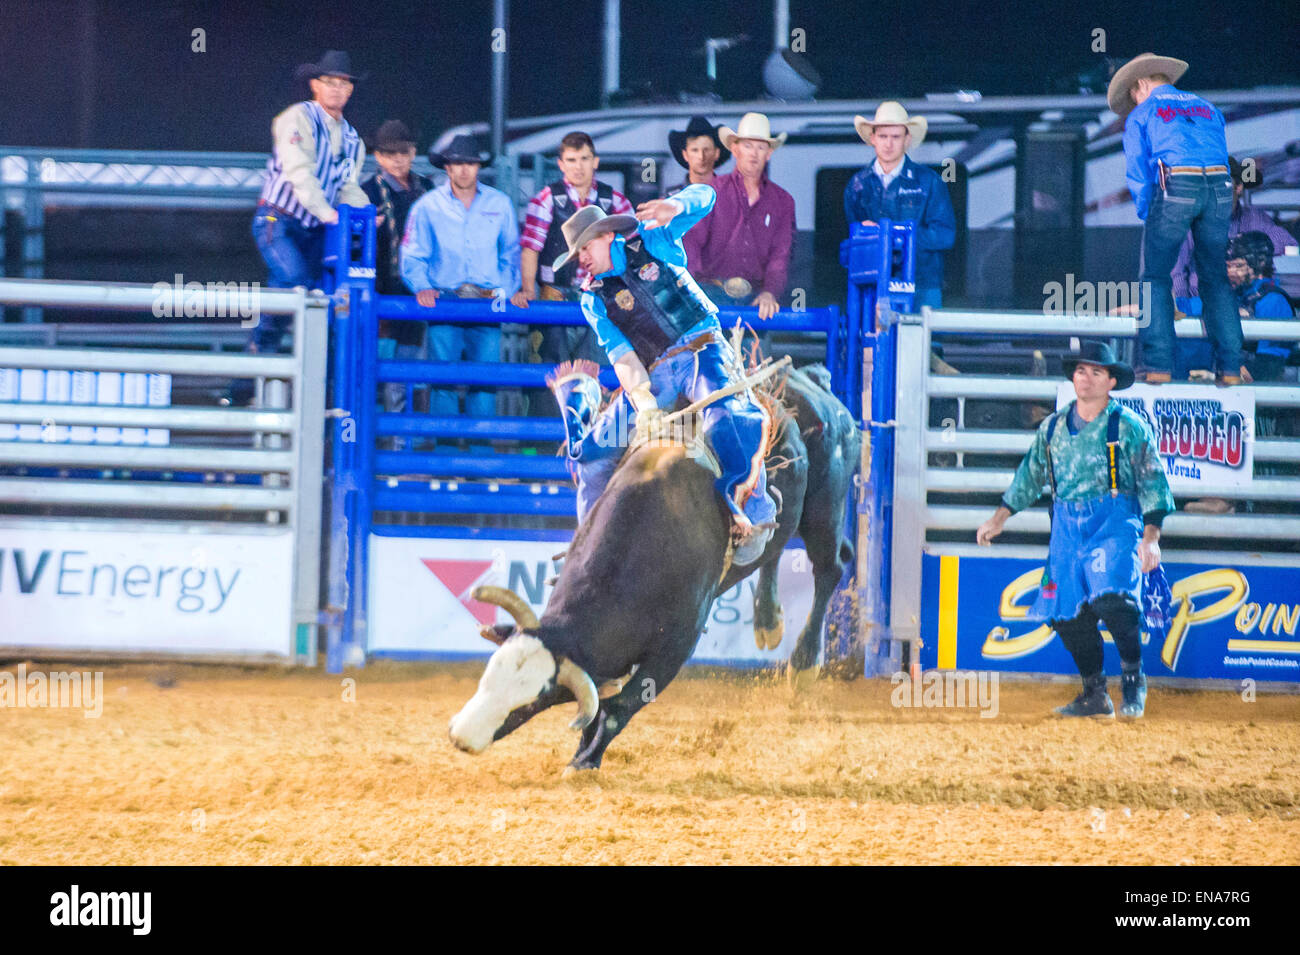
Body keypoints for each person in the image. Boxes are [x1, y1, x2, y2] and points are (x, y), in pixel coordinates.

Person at [545, 185, 779, 564]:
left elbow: (707, 197)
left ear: (607, 236)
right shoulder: (592, 297)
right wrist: (645, 403)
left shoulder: (653, 241)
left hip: (704, 346)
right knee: (591, 456)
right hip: (656, 373)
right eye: (577, 253)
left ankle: (756, 512)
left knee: (727, 414)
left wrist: (677, 204)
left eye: (585, 248)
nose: (581, 259)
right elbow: (622, 355)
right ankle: (591, 550)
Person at [977, 341, 1175, 719]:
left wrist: (1151, 538)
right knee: (1066, 614)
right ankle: (1094, 693)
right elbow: (1030, 476)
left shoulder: (1128, 426)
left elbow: (1153, 481)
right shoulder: (1052, 428)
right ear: (1073, 377)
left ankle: (1133, 679)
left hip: (1115, 523)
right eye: (1081, 371)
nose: (1086, 378)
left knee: (1113, 600)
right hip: (1067, 527)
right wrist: (999, 517)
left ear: (1111, 381)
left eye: (1096, 372)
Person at [1109, 52, 1242, 385]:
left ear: (1141, 84)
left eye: (1132, 96)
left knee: (1154, 276)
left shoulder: (1143, 113)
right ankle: (1230, 369)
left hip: (1177, 183)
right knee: (1215, 278)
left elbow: (1139, 173)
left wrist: (1149, 214)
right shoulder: (1208, 107)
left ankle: (1158, 366)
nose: (1133, 102)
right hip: (1220, 185)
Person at [252, 50, 368, 355]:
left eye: (343, 83)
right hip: (279, 220)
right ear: (315, 85)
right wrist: (328, 214)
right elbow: (298, 171)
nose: (337, 89)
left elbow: (349, 186)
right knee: (297, 282)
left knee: (294, 293)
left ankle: (252, 373)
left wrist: (365, 215)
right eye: (330, 82)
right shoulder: (296, 118)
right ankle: (259, 370)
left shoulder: (353, 139)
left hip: (315, 230)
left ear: (351, 89)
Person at [401, 134, 520, 425]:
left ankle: (479, 461)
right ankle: (448, 458)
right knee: (444, 382)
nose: (464, 169)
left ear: (478, 166)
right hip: (446, 301)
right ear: (447, 167)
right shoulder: (427, 206)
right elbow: (412, 256)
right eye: (457, 164)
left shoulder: (500, 204)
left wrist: (502, 291)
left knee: (484, 383)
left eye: (470, 163)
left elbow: (512, 254)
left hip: (486, 302)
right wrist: (423, 287)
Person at [512, 131, 634, 365]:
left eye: (584, 159)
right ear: (561, 164)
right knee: (551, 370)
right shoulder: (546, 198)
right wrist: (528, 289)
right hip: (556, 296)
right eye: (571, 160)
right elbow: (531, 248)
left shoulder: (615, 200)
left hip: (601, 295)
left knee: (596, 369)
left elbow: (631, 247)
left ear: (595, 162)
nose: (578, 167)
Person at [844, 101, 956, 310]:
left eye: (895, 137)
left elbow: (945, 235)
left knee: (924, 342)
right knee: (871, 341)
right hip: (871, 284)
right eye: (883, 136)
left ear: (907, 139)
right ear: (873, 138)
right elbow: (852, 236)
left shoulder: (929, 182)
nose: (888, 144)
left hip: (922, 284)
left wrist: (892, 235)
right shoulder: (857, 185)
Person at [682, 113, 795, 321]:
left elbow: (780, 255)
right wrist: (693, 291)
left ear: (769, 153)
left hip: (757, 300)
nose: (754, 154)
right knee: (709, 352)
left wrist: (770, 292)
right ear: (735, 150)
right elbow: (691, 242)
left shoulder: (783, 202)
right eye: (747, 146)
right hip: (710, 294)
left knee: (757, 354)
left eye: (761, 147)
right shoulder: (710, 192)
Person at [361, 120, 434, 418]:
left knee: (411, 362)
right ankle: (394, 436)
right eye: (389, 153)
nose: (397, 159)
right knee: (385, 364)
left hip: (416, 291)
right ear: (378, 156)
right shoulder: (367, 193)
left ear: (413, 152)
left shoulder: (426, 188)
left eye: (403, 152)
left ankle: (404, 438)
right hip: (382, 292)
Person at [1172, 157, 1295, 301]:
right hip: (1202, 308)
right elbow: (1175, 274)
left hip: (1250, 310)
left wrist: (1249, 248)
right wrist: (1186, 315)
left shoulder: (1255, 219)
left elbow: (1289, 246)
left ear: (1238, 187)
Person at [665, 115, 730, 197]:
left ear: (717, 153)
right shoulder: (672, 197)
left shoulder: (729, 194)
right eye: (695, 150)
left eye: (706, 150)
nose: (701, 156)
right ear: (685, 155)